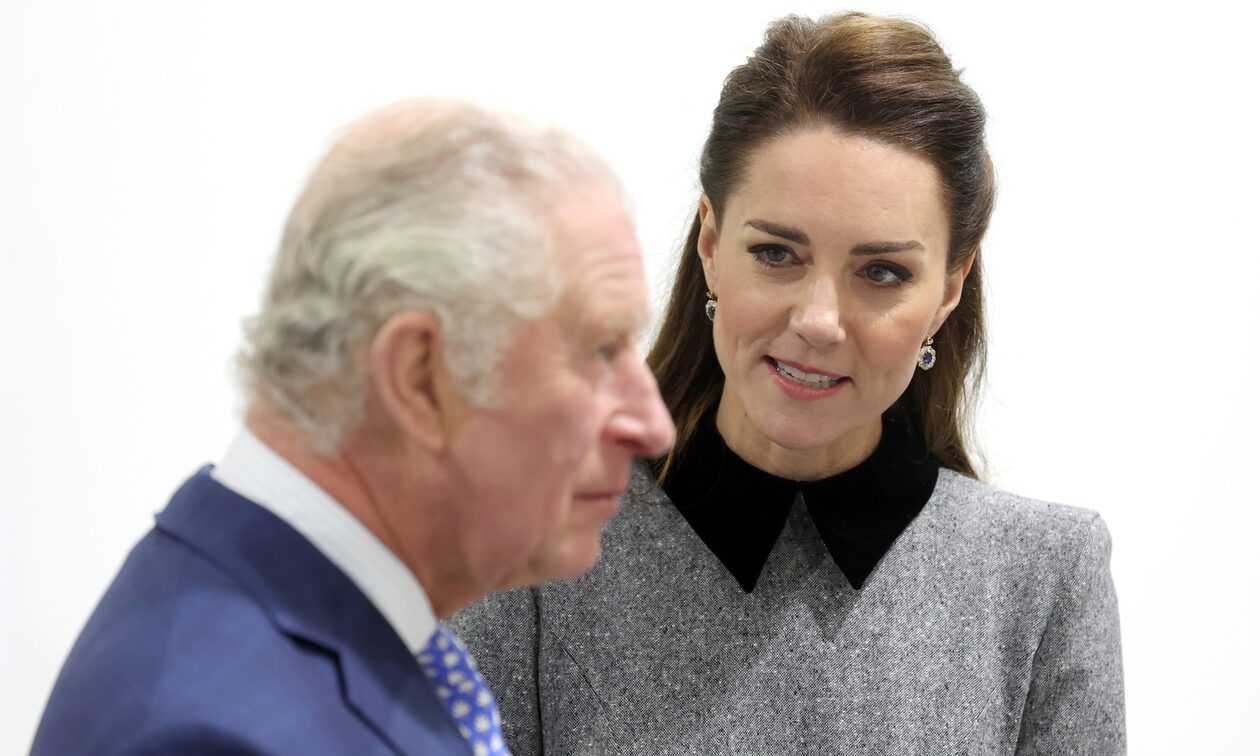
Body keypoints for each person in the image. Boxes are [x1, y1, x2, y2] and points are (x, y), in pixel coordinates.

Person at [450, 12, 1125, 755]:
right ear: (712, 244)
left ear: (948, 289)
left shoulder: (1044, 577)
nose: (819, 321)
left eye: (882, 272)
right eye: (777, 254)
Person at [32, 98, 674, 755]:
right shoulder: (213, 735)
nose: (655, 427)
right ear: (420, 377)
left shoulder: (299, 629)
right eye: (601, 351)